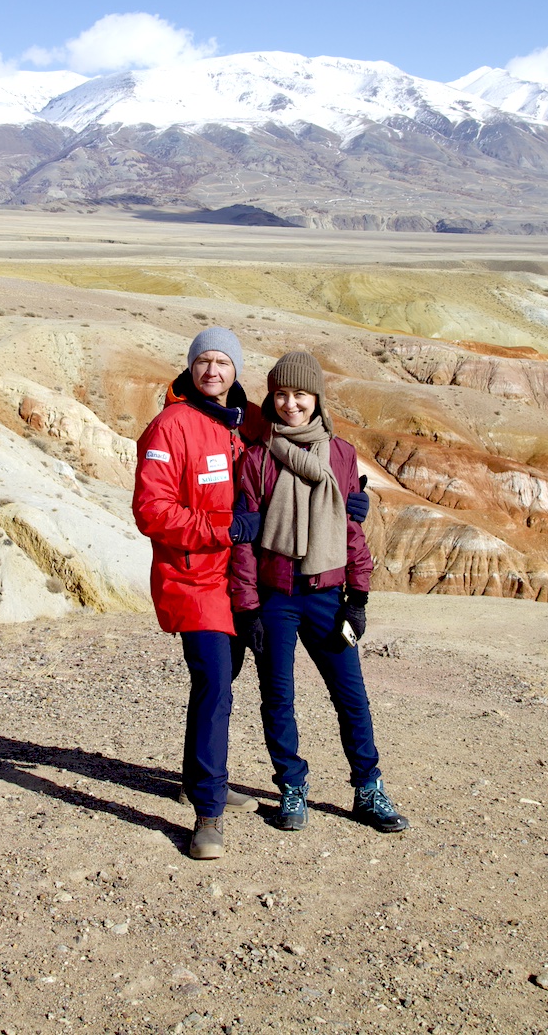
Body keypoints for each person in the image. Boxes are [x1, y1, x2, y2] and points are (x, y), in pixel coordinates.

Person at [231, 351, 409, 835]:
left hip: (327, 595)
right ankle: (291, 786)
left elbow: (351, 530)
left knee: (351, 696)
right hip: (276, 597)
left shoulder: (341, 455)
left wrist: (358, 598)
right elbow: (244, 542)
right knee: (278, 697)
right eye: (281, 395)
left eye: (300, 395)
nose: (290, 404)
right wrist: (248, 609)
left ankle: (368, 788)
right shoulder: (256, 458)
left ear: (317, 398)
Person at [132, 327, 264, 860]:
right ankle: (208, 812)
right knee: (215, 685)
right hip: (192, 577)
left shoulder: (249, 422)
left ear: (236, 370)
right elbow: (152, 511)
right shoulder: (171, 426)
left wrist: (346, 501)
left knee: (220, 680)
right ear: (190, 368)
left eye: (223, 362)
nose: (213, 370)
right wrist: (223, 529)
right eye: (204, 361)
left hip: (241, 578)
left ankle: (197, 778)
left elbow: (301, 459)